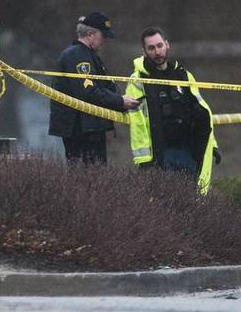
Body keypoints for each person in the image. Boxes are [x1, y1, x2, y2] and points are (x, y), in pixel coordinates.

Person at [125, 26, 220, 189]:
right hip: (160, 155)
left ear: (167, 45)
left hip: (187, 153)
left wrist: (211, 146)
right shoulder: (138, 81)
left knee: (191, 204)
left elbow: (203, 113)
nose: (157, 52)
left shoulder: (183, 75)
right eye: (151, 48)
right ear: (144, 51)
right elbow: (137, 123)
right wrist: (145, 161)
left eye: (160, 46)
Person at [49, 12, 140, 164]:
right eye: (103, 36)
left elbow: (103, 87)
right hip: (81, 131)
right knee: (89, 178)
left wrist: (122, 102)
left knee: (94, 178)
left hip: (90, 128)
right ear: (90, 34)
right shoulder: (77, 56)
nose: (105, 41)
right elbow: (89, 92)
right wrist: (120, 101)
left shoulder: (87, 55)